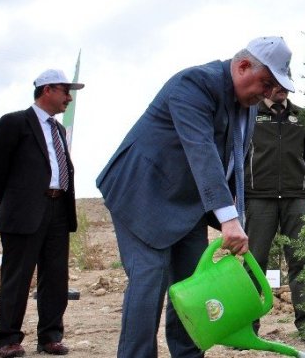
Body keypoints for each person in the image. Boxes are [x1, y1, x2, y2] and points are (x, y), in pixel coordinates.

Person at [96, 36, 294, 358]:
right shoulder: (194, 84)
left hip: (187, 201)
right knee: (150, 279)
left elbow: (234, 164)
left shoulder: (245, 104)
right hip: (142, 192)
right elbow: (202, 152)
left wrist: (236, 217)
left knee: (193, 285)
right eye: (266, 83)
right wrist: (229, 220)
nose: (268, 93)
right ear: (243, 66)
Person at [0, 69, 85, 357]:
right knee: (17, 277)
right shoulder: (15, 122)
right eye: (65, 91)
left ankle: (50, 336)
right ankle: (8, 339)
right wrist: (10, 206)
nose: (69, 98)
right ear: (47, 90)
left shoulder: (57, 129)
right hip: (24, 213)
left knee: (56, 276)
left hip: (58, 209)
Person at [244, 86, 305, 346]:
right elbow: (237, 152)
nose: (281, 89)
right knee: (254, 262)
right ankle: (248, 326)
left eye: (285, 84)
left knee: (300, 261)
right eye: (276, 84)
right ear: (266, 86)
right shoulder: (249, 114)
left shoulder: (303, 117)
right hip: (258, 198)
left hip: (296, 198)